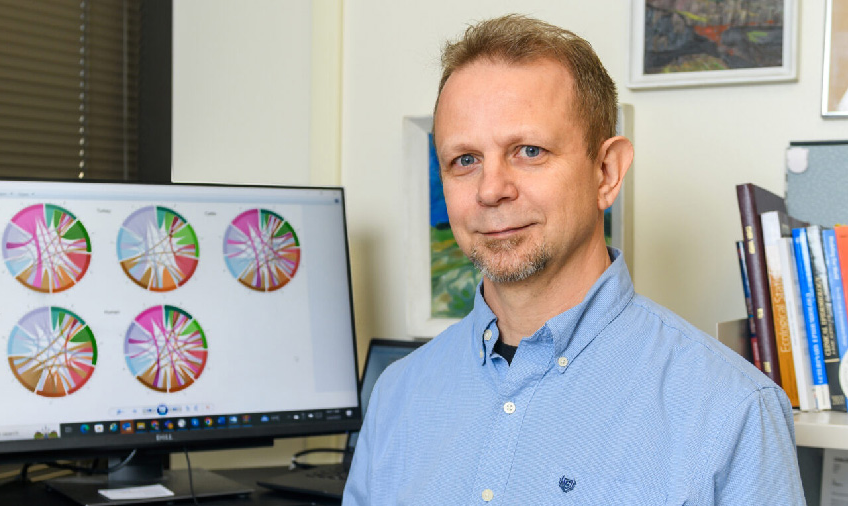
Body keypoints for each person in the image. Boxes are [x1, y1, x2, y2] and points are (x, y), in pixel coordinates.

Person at [343, 14, 805, 505]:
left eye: (529, 150)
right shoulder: (397, 396)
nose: (491, 189)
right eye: (465, 160)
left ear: (606, 171)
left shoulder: (731, 409)